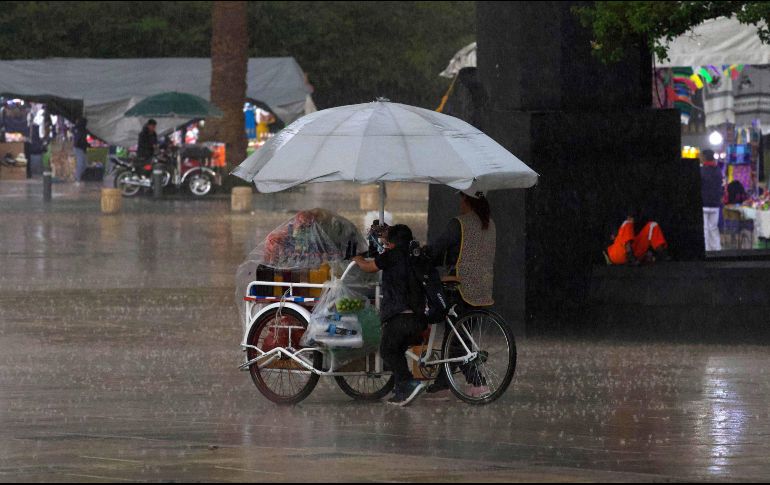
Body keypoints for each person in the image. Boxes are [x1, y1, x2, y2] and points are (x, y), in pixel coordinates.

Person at [424, 189, 496, 398]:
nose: (460, 203)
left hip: (460, 286)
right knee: (456, 335)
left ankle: (478, 382)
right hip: (482, 288)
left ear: (467, 200)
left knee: (456, 339)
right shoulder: (490, 224)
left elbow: (437, 248)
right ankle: (442, 382)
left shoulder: (460, 223)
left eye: (461, 198)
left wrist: (423, 254)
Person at [352, 224, 428, 406]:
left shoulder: (393, 255)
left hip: (400, 316)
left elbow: (369, 267)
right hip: (418, 318)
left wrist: (356, 259)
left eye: (388, 241)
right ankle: (402, 391)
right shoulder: (415, 255)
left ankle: (409, 383)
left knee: (387, 349)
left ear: (393, 243)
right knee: (397, 350)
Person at [701, 149, 723, 251]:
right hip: (715, 204)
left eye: (701, 156)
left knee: (704, 229)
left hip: (703, 204)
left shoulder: (701, 171)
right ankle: (717, 250)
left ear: (704, 157)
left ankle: (706, 250)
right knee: (713, 228)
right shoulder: (718, 171)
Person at [72, 117, 90, 182]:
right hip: (79, 148)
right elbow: (79, 140)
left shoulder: (79, 129)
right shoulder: (80, 130)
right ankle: (77, 178)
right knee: (81, 164)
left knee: (84, 164)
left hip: (81, 148)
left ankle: (78, 177)